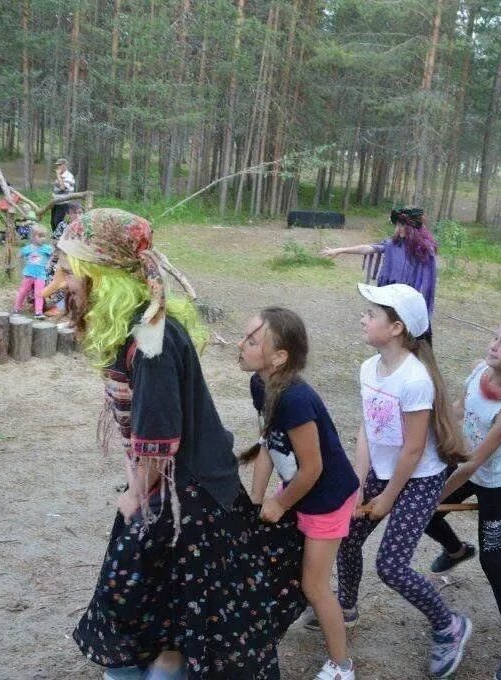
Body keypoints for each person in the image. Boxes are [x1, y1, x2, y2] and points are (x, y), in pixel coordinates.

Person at [63, 208, 306, 680]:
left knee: (170, 614)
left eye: (69, 270)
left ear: (101, 275)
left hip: (191, 497)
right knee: (165, 611)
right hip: (175, 490)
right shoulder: (139, 326)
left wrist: (136, 493)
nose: (61, 281)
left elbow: (158, 436)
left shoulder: (150, 336)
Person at [329, 283, 472, 679]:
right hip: (379, 471)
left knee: (391, 566)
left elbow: (412, 450)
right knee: (346, 535)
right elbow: (366, 430)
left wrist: (388, 498)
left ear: (396, 328)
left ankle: (449, 625)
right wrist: (359, 482)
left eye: (372, 314)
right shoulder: (367, 368)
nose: (363, 317)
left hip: (418, 480)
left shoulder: (415, 379)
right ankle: (346, 609)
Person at [237, 307, 360, 680]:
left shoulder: (295, 399)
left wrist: (280, 502)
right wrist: (257, 502)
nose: (240, 345)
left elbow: (314, 469)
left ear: (279, 357)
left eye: (252, 341)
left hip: (326, 500)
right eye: (245, 337)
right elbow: (267, 445)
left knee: (314, 584)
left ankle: (342, 666)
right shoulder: (261, 384)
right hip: (298, 489)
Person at [423, 316, 501, 680]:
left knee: (494, 562)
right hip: (464, 464)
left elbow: (476, 462)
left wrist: (435, 493)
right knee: (427, 516)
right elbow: (459, 411)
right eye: (495, 337)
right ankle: (457, 550)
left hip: (493, 481)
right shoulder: (479, 371)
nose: (494, 345)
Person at [321, 208, 437, 342]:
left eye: (402, 225)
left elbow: (428, 282)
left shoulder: (424, 250)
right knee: (389, 335)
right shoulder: (393, 245)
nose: (398, 229)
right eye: (397, 225)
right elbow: (369, 248)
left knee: (410, 340)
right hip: (390, 298)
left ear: (412, 228)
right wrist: (342, 250)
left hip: (408, 300)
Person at [13, 225, 53, 318]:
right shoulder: (28, 248)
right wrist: (22, 262)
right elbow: (19, 255)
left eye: (44, 236)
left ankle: (38, 312)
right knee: (23, 291)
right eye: (40, 236)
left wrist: (48, 263)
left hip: (40, 275)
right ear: (33, 236)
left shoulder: (46, 248)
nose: (43, 239)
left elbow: (52, 254)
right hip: (29, 274)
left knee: (39, 293)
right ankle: (17, 308)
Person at [51, 157, 76, 232]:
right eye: (57, 165)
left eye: (59, 165)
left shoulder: (69, 176)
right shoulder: (60, 176)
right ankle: (55, 238)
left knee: (58, 222)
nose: (58, 167)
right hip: (56, 202)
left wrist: (58, 175)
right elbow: (56, 189)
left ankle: (59, 238)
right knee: (52, 222)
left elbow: (63, 188)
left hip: (64, 203)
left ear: (64, 165)